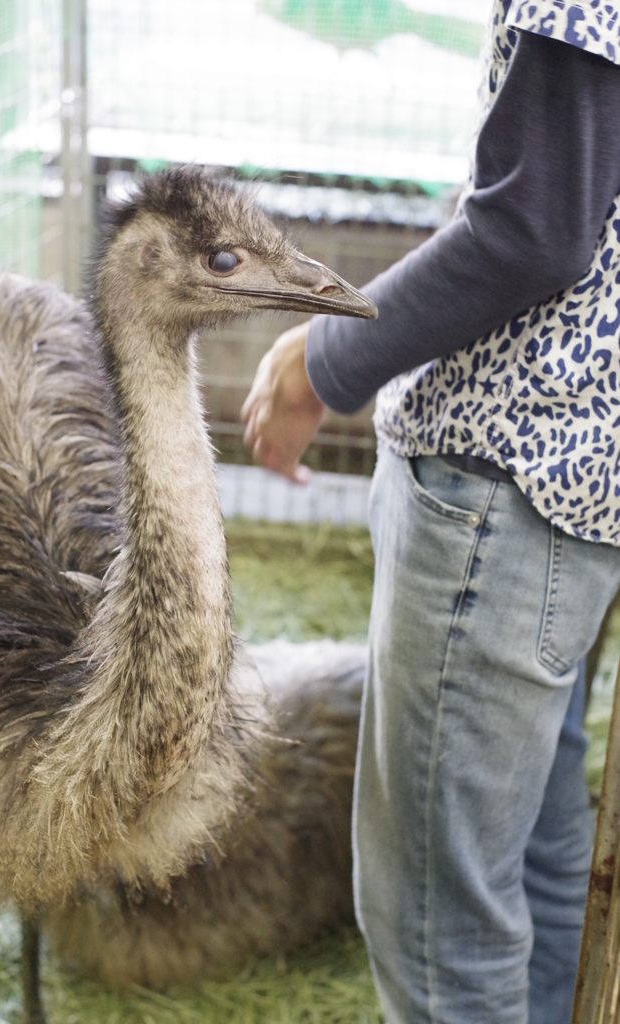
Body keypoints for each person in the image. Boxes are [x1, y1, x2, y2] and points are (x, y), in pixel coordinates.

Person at [241, 2, 620, 1021]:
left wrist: (324, 358)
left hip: (502, 471)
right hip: (583, 479)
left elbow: (532, 228)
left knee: (435, 923)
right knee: (534, 851)